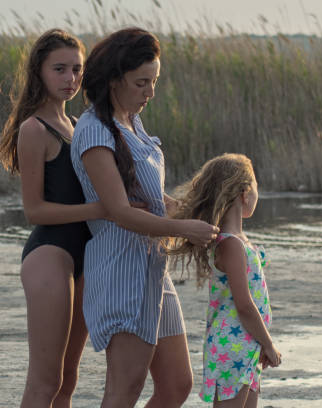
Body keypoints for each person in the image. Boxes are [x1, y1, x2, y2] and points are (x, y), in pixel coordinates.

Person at [70, 28, 220, 407]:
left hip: (153, 267)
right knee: (126, 388)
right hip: (121, 269)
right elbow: (120, 212)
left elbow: (152, 200)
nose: (150, 92)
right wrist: (184, 228)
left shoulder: (132, 123)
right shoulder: (94, 130)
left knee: (176, 384)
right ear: (114, 80)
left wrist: (200, 211)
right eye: (142, 82)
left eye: (154, 81)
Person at [0, 29, 98, 408]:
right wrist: (99, 210)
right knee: (45, 382)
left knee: (67, 380)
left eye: (77, 70)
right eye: (60, 69)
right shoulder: (34, 129)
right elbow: (34, 210)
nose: (70, 79)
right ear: (39, 71)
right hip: (51, 252)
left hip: (89, 256)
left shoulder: (80, 125)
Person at [168, 153, 282, 407]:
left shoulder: (239, 241)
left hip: (248, 346)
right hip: (233, 346)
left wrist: (260, 344)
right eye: (255, 188)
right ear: (244, 193)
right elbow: (244, 304)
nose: (256, 195)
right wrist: (269, 344)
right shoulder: (230, 245)